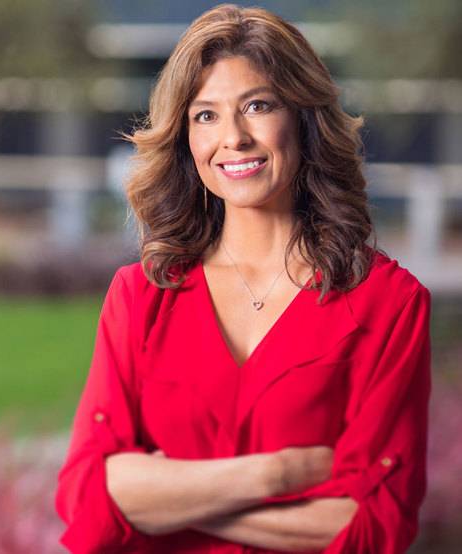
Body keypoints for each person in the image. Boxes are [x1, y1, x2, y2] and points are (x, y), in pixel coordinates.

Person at [55, 4, 431, 553]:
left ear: (303, 120)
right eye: (205, 115)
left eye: (257, 105)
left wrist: (160, 502)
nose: (232, 137)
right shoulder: (139, 299)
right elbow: (87, 501)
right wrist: (274, 476)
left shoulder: (387, 305)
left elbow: (376, 526)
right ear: (185, 139)